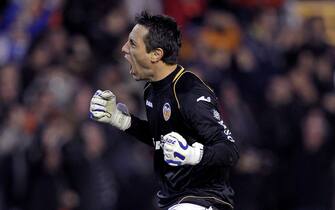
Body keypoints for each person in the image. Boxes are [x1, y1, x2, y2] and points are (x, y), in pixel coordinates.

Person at [89, 11, 239, 210]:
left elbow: (229, 150)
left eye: (133, 44)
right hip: (174, 198)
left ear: (156, 54)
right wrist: (120, 119)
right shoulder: (152, 90)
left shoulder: (188, 92)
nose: (124, 49)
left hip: (202, 199)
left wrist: (194, 154)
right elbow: (160, 138)